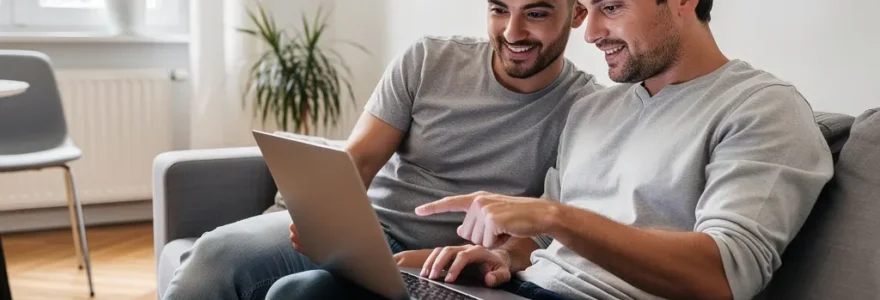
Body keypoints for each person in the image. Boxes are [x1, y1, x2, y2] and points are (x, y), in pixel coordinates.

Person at [270, 0, 835, 299]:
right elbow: (535, 244)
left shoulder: (762, 109)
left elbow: (726, 276)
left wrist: (554, 215)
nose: (589, 35)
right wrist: (499, 256)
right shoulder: (595, 108)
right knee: (305, 291)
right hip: (521, 288)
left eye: (612, 7)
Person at [161, 0, 601, 299]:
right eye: (499, 9)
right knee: (218, 252)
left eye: (537, 13)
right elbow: (359, 161)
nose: (512, 31)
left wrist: (501, 256)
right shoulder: (429, 58)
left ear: (577, 14)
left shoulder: (586, 108)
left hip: (435, 262)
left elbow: (551, 226)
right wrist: (324, 221)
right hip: (364, 229)